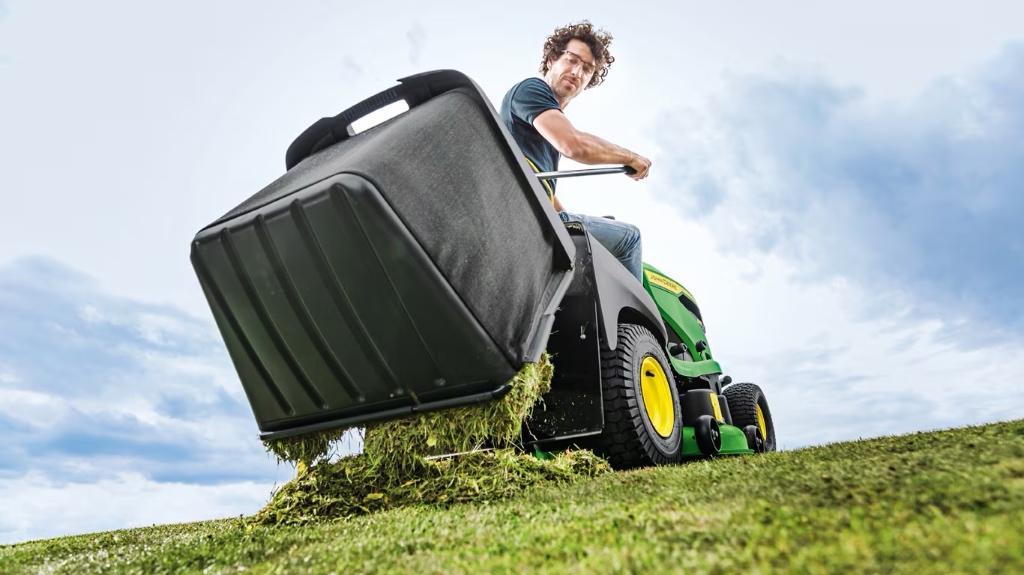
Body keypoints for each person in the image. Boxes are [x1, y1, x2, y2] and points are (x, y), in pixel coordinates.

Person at [500, 21, 652, 280]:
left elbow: (546, 193)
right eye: (571, 60)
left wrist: (569, 217)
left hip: (530, 210)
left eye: (587, 69)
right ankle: (634, 309)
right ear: (551, 60)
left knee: (596, 235)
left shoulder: (542, 133)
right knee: (629, 238)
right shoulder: (531, 90)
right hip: (526, 213)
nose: (577, 72)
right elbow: (573, 145)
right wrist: (631, 157)